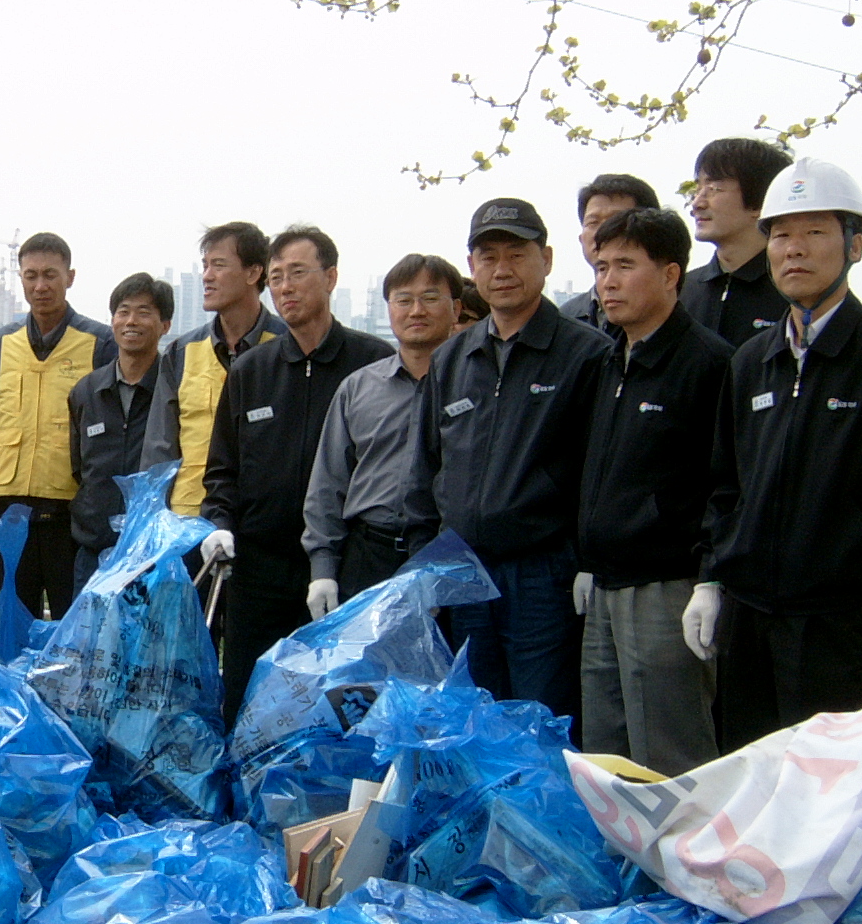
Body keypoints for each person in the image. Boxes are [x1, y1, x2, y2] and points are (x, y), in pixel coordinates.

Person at [685, 158, 862, 747]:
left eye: (815, 232)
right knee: (746, 774)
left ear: (855, 245)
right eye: (781, 234)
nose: (794, 249)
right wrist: (710, 580)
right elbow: (727, 484)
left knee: (821, 789)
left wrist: (855, 559)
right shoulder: (751, 360)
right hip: (745, 617)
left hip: (832, 619)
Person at [406, 198, 611, 727]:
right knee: (470, 724)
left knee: (540, 722)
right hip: (462, 573)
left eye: (516, 255)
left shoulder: (585, 353)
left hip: (543, 575)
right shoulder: (453, 357)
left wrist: (583, 560)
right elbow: (426, 472)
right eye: (488, 256)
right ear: (471, 267)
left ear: (546, 258)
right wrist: (421, 571)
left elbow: (597, 473)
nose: (502, 270)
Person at [200, 227, 392, 722]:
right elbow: (223, 468)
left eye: (298, 274)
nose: (285, 287)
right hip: (258, 574)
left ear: (330, 278)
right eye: (278, 276)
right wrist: (218, 522)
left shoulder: (372, 365)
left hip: (340, 572)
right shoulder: (252, 369)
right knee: (245, 705)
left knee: (336, 714)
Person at [573, 207, 733, 775]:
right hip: (605, 586)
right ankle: (618, 865)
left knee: (669, 755)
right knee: (606, 754)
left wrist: (710, 578)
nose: (608, 282)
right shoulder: (610, 360)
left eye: (625, 266)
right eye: (600, 267)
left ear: (671, 275)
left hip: (667, 589)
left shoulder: (708, 364)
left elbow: (725, 484)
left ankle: (681, 866)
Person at [304, 253, 464, 604]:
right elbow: (328, 484)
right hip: (368, 556)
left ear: (456, 309)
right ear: (389, 309)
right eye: (403, 300)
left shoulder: (475, 386)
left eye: (430, 298)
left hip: (451, 558)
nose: (416, 311)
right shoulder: (359, 388)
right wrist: (323, 570)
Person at [0, 233, 114, 621]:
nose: (40, 286)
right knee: (14, 620)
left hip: (71, 514)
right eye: (30, 275)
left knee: (73, 622)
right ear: (20, 279)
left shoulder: (99, 342)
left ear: (70, 276)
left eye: (50, 275)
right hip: (10, 510)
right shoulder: (1, 343)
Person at [140, 222, 284, 515]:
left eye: (218, 265)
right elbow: (160, 449)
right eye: (205, 266)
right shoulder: (181, 352)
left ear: (254, 273)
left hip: (262, 521)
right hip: (189, 519)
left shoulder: (285, 348)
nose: (207, 276)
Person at [69, 274, 173, 592]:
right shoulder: (87, 391)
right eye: (123, 311)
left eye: (144, 312)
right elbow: (79, 468)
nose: (131, 321)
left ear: (164, 324)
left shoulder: (175, 388)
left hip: (154, 555)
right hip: (94, 551)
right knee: (86, 642)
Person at [681, 137, 793, 346]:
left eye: (714, 188)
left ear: (760, 202)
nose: (697, 203)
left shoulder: (794, 293)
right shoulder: (679, 292)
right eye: (698, 189)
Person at [560, 173, 659, 331]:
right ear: (581, 239)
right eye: (593, 222)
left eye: (616, 220)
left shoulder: (684, 306)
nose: (603, 233)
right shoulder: (565, 319)